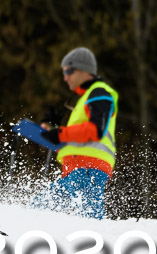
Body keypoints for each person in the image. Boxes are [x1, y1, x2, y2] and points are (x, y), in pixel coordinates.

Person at [31, 47, 119, 219]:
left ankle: (17, 231)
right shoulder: (86, 98)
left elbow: (96, 130)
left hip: (89, 169)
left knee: (39, 210)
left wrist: (61, 134)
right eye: (64, 72)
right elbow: (79, 139)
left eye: (69, 71)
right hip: (81, 168)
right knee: (84, 216)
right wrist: (51, 132)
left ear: (85, 71)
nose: (65, 77)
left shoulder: (99, 93)